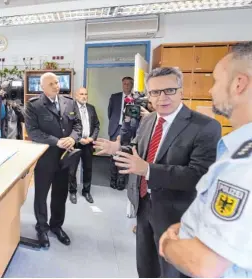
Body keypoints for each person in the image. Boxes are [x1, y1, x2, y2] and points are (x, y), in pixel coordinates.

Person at [94, 67, 222, 278]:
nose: (162, 97)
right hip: (144, 205)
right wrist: (118, 148)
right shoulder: (148, 120)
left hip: (177, 214)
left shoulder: (205, 127)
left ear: (181, 90)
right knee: (146, 266)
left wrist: (147, 170)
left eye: (169, 90)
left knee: (172, 271)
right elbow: (138, 148)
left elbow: (198, 176)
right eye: (155, 92)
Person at [159, 41, 252, 278]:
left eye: (217, 81)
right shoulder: (237, 149)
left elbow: (204, 264)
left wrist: (167, 245)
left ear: (239, 84)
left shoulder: (243, 165)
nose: (210, 90)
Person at [24, 72, 82, 248]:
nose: (56, 86)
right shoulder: (34, 106)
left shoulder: (69, 102)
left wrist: (72, 138)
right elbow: (33, 132)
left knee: (60, 194)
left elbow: (78, 125)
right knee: (41, 195)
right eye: (51, 84)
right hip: (45, 157)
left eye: (57, 82)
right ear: (42, 87)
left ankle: (56, 226)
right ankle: (42, 228)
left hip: (66, 158)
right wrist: (57, 141)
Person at [68, 87, 99, 204]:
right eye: (81, 94)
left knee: (88, 169)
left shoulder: (91, 108)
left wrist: (91, 138)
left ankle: (86, 191)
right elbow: (68, 127)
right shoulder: (71, 108)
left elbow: (96, 125)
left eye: (86, 94)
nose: (84, 96)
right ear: (76, 96)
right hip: (75, 143)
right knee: (72, 170)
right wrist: (78, 139)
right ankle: (72, 192)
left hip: (88, 144)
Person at [107, 77, 133, 189]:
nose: (126, 86)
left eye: (128, 84)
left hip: (128, 131)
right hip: (115, 129)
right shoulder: (115, 97)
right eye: (124, 84)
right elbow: (110, 112)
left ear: (132, 85)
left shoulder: (135, 98)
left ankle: (121, 182)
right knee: (113, 156)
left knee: (124, 156)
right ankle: (113, 180)